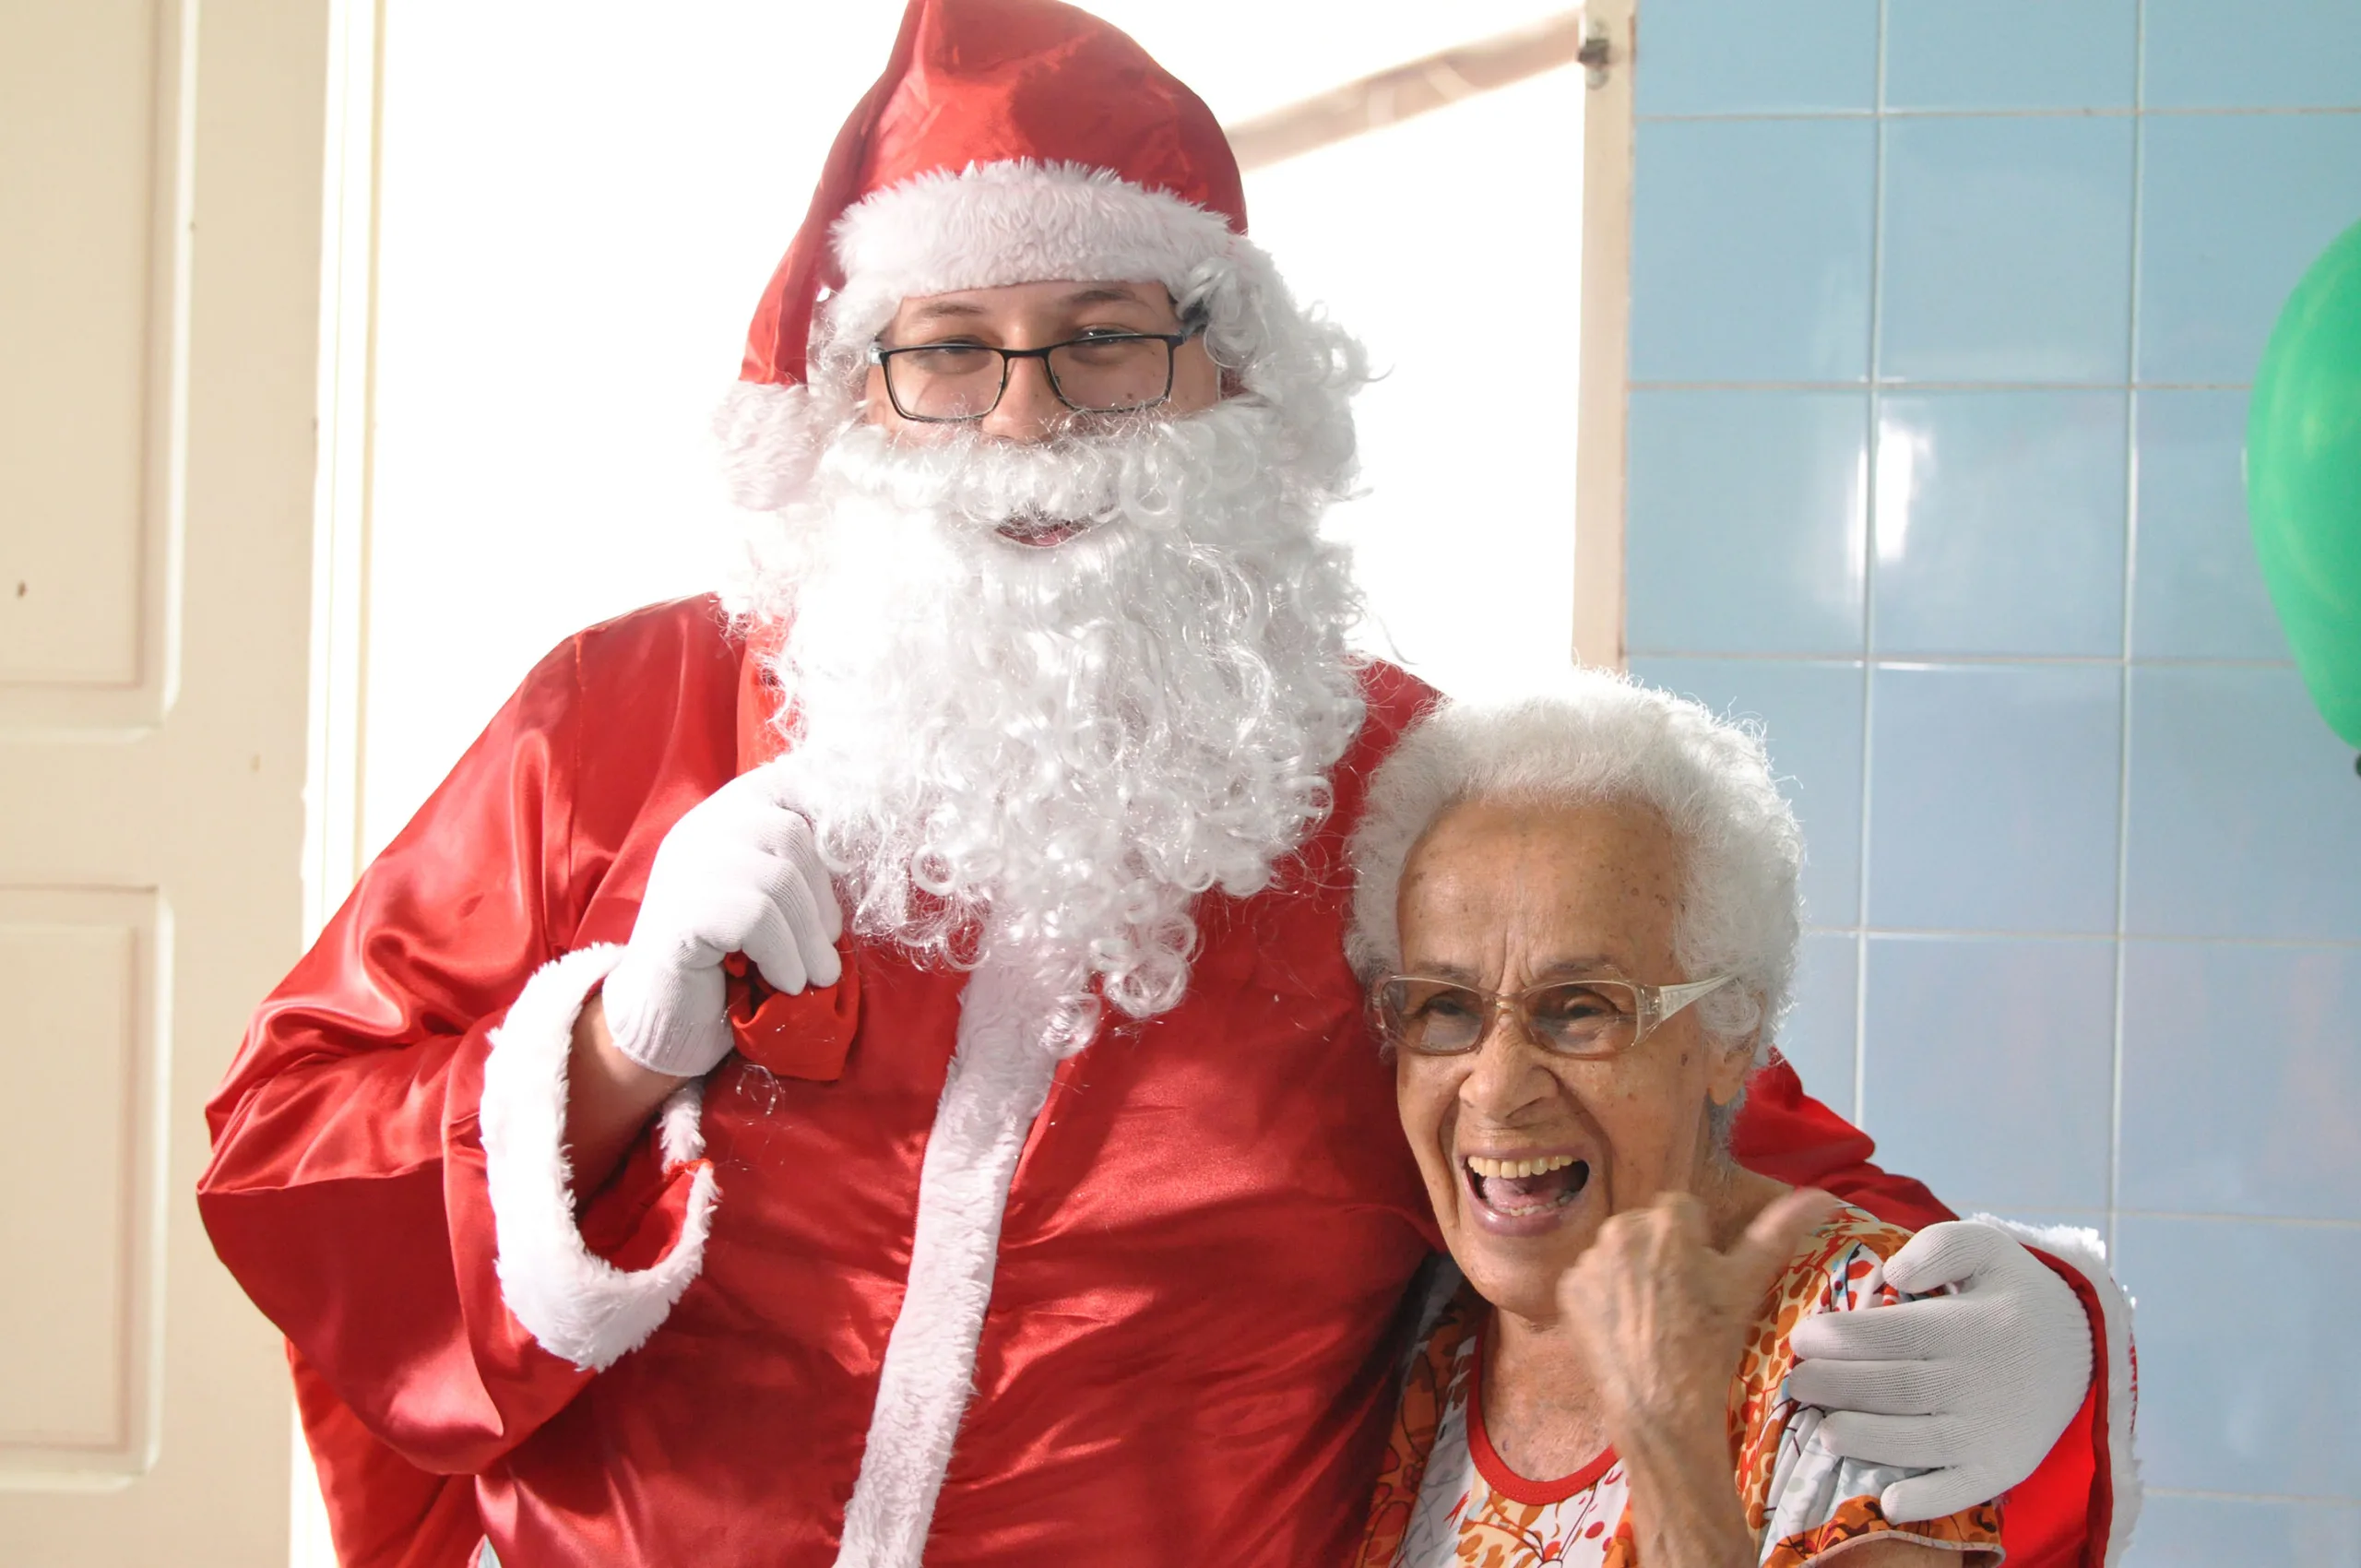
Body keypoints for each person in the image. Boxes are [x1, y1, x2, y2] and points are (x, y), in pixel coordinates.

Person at [196, 3, 2135, 1565]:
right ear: (845, 401)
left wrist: (2039, 1329)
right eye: (944, 353)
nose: (1026, 416)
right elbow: (282, 1153)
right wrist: (608, 1049)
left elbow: (1680, 1127)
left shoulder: (1407, 793)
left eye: (1106, 342)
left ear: (1240, 382)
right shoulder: (612, 719)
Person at [1346, 681, 2024, 1566]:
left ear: (1731, 1034)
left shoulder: (1869, 1338)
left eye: (1580, 1006)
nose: (1497, 1087)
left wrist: (1673, 1448)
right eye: (1443, 1007)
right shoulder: (1419, 1324)